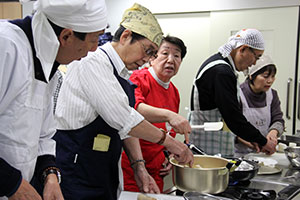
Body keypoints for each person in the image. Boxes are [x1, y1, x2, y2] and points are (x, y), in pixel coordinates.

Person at [54, 3, 194, 200]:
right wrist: (173, 144)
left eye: (152, 54)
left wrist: (139, 166)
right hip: (77, 168)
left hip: (101, 169)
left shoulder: (121, 73)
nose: (147, 59)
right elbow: (125, 119)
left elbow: (125, 127)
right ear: (126, 36)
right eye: (148, 50)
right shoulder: (92, 64)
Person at [0, 0, 108, 199]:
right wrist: (12, 184)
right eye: (94, 39)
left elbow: (43, 135)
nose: (94, 49)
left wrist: (49, 174)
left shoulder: (49, 66)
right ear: (66, 35)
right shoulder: (7, 46)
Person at [189, 29, 277, 157]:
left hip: (215, 145)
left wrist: (252, 138)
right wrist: (262, 141)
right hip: (209, 150)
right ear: (242, 49)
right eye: (256, 57)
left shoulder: (220, 66)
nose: (254, 63)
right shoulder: (221, 71)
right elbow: (233, 117)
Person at [121, 35, 190, 192]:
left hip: (156, 169)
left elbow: (167, 130)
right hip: (132, 167)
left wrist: (169, 155)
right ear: (152, 58)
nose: (171, 60)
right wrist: (169, 114)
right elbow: (133, 110)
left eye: (177, 56)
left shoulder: (174, 92)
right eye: (165, 53)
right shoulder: (138, 79)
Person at [235, 54, 285, 157]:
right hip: (240, 154)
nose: (270, 81)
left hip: (264, 154)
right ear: (251, 75)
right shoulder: (238, 94)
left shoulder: (272, 95)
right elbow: (230, 126)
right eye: (265, 76)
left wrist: (273, 132)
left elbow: (278, 119)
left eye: (273, 76)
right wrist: (245, 140)